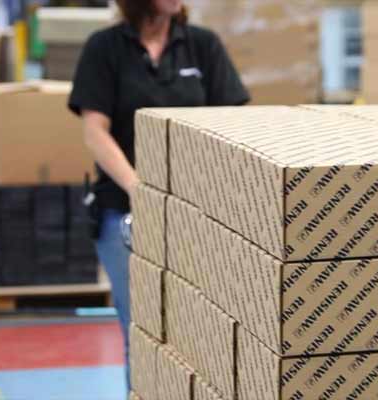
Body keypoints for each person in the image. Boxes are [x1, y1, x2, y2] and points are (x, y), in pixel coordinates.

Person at [68, 0, 249, 392]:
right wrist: (141, 190)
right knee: (144, 330)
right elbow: (95, 133)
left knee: (199, 333)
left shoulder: (202, 46)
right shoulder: (105, 48)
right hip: (124, 213)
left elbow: (234, 125)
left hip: (196, 215)